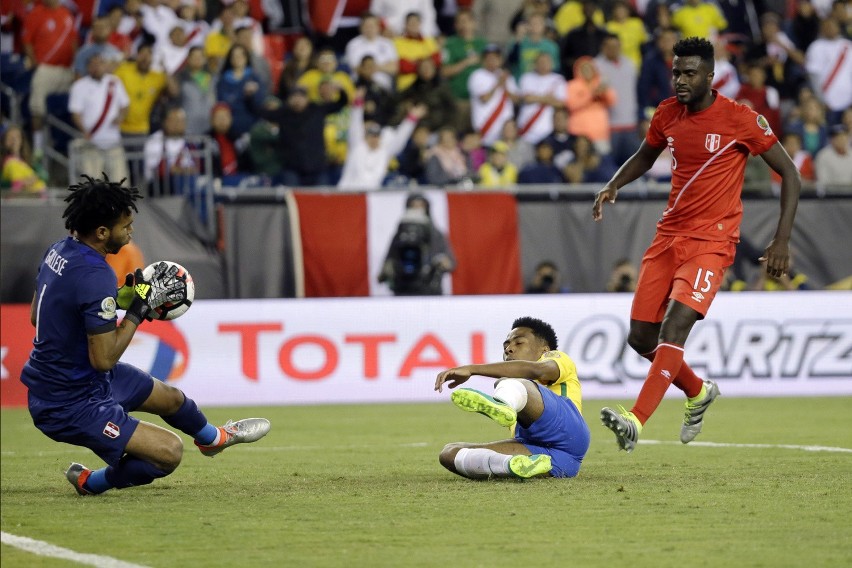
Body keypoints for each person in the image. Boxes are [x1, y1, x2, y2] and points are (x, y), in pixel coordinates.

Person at [592, 37, 801, 452]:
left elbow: (790, 174)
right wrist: (614, 183)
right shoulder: (667, 114)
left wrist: (781, 239)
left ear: (710, 75)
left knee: (674, 327)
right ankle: (698, 390)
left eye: (689, 73)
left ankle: (636, 420)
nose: (680, 80)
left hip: (713, 241)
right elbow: (645, 155)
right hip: (668, 236)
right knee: (640, 338)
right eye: (676, 73)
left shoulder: (740, 119)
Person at [21, 175, 271, 496]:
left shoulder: (59, 251)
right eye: (125, 226)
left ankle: (214, 439)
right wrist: (137, 312)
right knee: (168, 453)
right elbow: (103, 358)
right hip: (69, 401)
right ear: (101, 232)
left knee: (171, 398)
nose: (131, 231)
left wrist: (119, 299)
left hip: (77, 378)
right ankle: (91, 482)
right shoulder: (96, 275)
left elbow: (35, 315)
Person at [434, 316, 590, 479]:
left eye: (519, 342)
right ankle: (510, 465)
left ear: (544, 350)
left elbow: (539, 371)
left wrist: (471, 369)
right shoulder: (513, 386)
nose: (509, 348)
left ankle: (503, 406)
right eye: (506, 345)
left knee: (512, 383)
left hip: (568, 433)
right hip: (557, 459)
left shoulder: (555, 357)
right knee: (450, 453)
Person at [378, 194, 456, 296]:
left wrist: (441, 262)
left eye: (420, 206)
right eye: (414, 206)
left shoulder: (435, 234)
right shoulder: (399, 236)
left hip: (429, 290)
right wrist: (388, 268)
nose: (417, 210)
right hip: (403, 289)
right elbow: (388, 263)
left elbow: (451, 263)